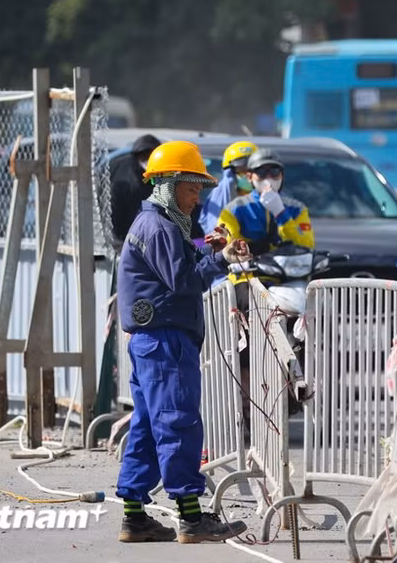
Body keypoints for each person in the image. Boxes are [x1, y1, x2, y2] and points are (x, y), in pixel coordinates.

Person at [115, 140, 252, 544]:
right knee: (179, 424)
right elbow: (184, 282)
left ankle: (135, 518)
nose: (196, 199)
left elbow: (174, 262)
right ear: (169, 184)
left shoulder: (157, 225)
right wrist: (221, 260)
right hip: (166, 343)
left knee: (145, 428)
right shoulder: (158, 226)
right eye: (191, 189)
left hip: (152, 342)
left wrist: (203, 247)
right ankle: (192, 519)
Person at [217, 148, 315, 415]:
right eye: (261, 172)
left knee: (313, 315)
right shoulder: (233, 210)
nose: (268, 177)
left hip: (286, 279)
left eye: (274, 172)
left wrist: (281, 214)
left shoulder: (296, 208)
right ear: (249, 176)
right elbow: (229, 244)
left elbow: (305, 244)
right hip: (248, 280)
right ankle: (245, 388)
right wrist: (241, 254)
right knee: (244, 325)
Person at [108, 134, 162, 248]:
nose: (147, 160)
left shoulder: (165, 176)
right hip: (127, 240)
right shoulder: (126, 180)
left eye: (152, 156)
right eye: (145, 157)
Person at [197, 140, 257, 235]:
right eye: (242, 169)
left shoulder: (271, 196)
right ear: (229, 172)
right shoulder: (218, 200)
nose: (248, 174)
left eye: (252, 169)